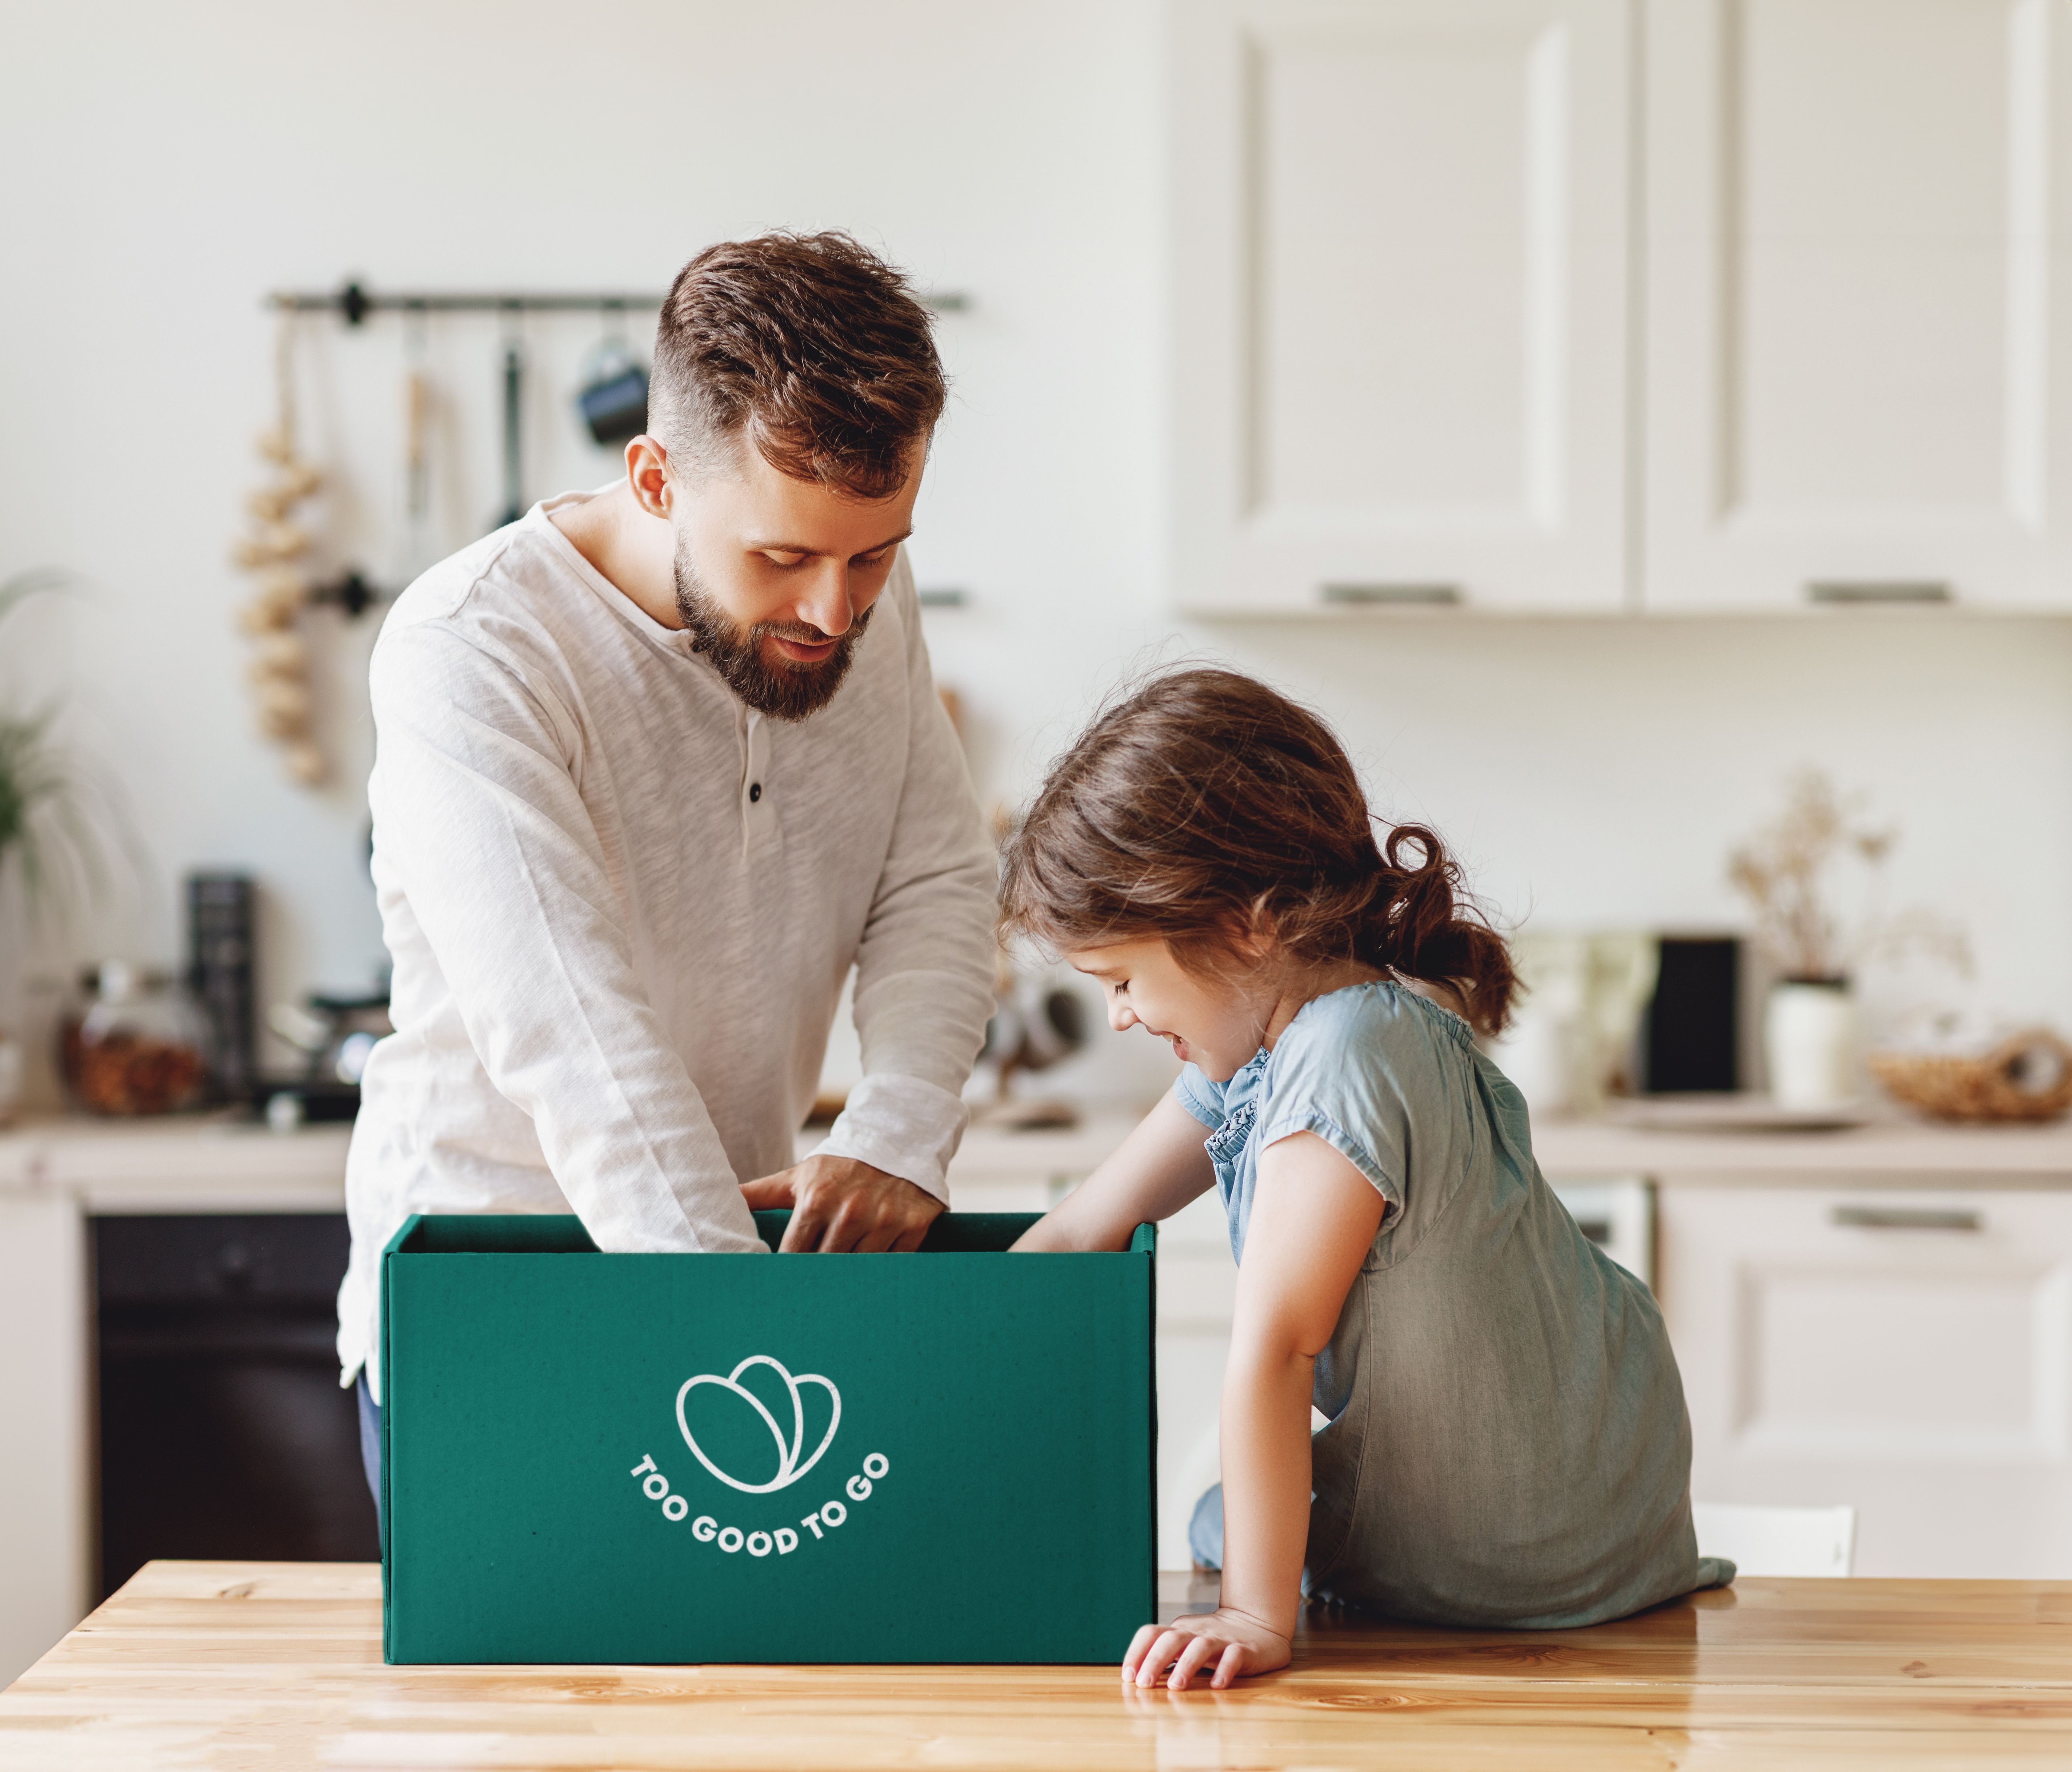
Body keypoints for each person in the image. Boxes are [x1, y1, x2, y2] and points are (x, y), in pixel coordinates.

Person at [336, 234, 998, 1499]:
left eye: (877, 552)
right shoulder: (470, 650)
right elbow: (572, 1036)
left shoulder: (861, 604)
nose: (834, 613)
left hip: (746, 1284)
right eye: (783, 559)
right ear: (652, 479)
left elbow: (935, 881)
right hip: (503, 1307)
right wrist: (748, 1337)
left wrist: (901, 1131)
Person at [1000, 668, 1731, 1690]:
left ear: (1241, 925)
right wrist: (924, 1339)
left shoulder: (1343, 1052)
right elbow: (1082, 1229)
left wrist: (1255, 1614)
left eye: (1122, 979)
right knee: (1228, 1508)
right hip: (1612, 1514)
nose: (1120, 1014)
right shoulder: (1294, 1029)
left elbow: (1278, 1345)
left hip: (1507, 1541)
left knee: (1217, 1519)